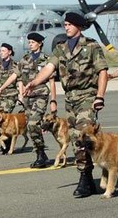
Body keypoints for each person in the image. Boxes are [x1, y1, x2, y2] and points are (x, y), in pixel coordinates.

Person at [24, 12, 108, 198]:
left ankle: (85, 179)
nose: (66, 27)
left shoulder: (92, 46)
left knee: (81, 136)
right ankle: (90, 175)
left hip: (87, 96)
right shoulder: (60, 48)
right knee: (74, 138)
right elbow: (49, 68)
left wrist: (100, 96)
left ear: (78, 26)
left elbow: (102, 71)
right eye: (65, 24)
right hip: (70, 99)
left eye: (69, 24)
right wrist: (34, 82)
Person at [14, 32, 57, 168]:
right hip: (27, 97)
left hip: (41, 95)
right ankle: (41, 153)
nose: (30, 44)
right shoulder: (24, 59)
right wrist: (20, 94)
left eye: (32, 42)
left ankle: (40, 153)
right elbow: (19, 78)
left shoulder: (47, 60)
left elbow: (52, 82)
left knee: (33, 123)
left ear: (40, 43)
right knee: (30, 127)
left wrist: (53, 100)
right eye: (29, 42)